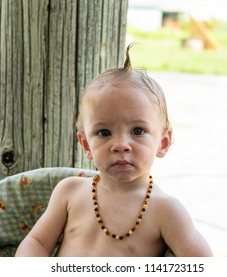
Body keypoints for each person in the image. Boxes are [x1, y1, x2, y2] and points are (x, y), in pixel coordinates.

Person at [15, 44, 213, 257]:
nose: (120, 144)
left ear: (163, 143)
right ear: (86, 144)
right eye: (104, 132)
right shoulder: (69, 192)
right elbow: (36, 242)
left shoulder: (166, 211)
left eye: (138, 131)